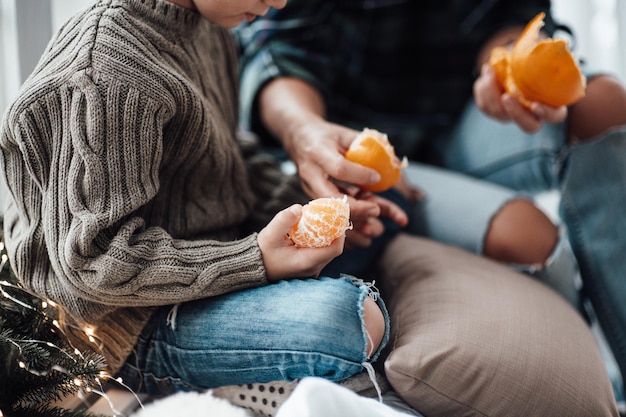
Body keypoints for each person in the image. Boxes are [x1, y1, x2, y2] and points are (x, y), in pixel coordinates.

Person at [0, 0, 391, 400]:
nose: (279, 3)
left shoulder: (213, 25)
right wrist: (254, 260)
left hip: (206, 261)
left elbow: (226, 160)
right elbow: (93, 262)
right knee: (350, 319)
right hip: (123, 322)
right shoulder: (107, 70)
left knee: (381, 230)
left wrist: (308, 206)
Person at [234, 0, 626, 396]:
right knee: (526, 233)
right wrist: (305, 131)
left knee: (605, 102)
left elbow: (512, 15)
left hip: (462, 124)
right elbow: (277, 48)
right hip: (349, 146)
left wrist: (503, 65)